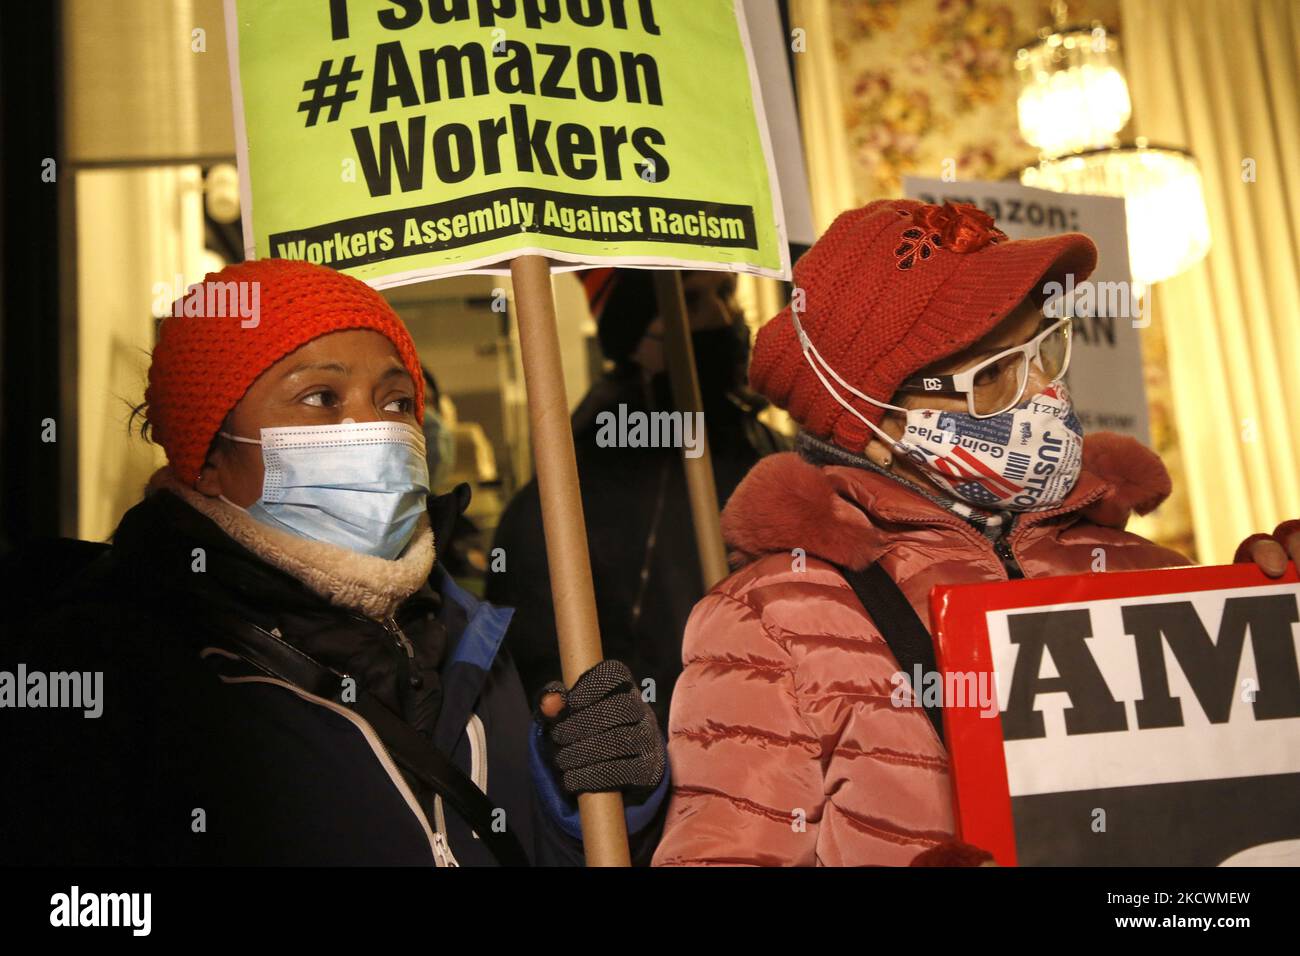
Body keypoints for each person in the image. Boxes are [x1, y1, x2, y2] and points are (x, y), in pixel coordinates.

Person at [651, 200, 1299, 867]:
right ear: (871, 424)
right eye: (990, 374)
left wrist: (1275, 628)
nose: (1043, 393)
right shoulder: (772, 622)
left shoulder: (1149, 570)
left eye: (1043, 348)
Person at [1, 258, 666, 866]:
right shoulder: (114, 667)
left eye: (396, 401)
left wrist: (585, 801)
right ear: (209, 457)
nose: (373, 428)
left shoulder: (469, 637)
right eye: (321, 398)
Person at [486, 268, 786, 730]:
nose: (724, 316)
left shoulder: (766, 446)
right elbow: (545, 673)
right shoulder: (568, 496)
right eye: (689, 301)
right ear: (635, 337)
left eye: (726, 293)